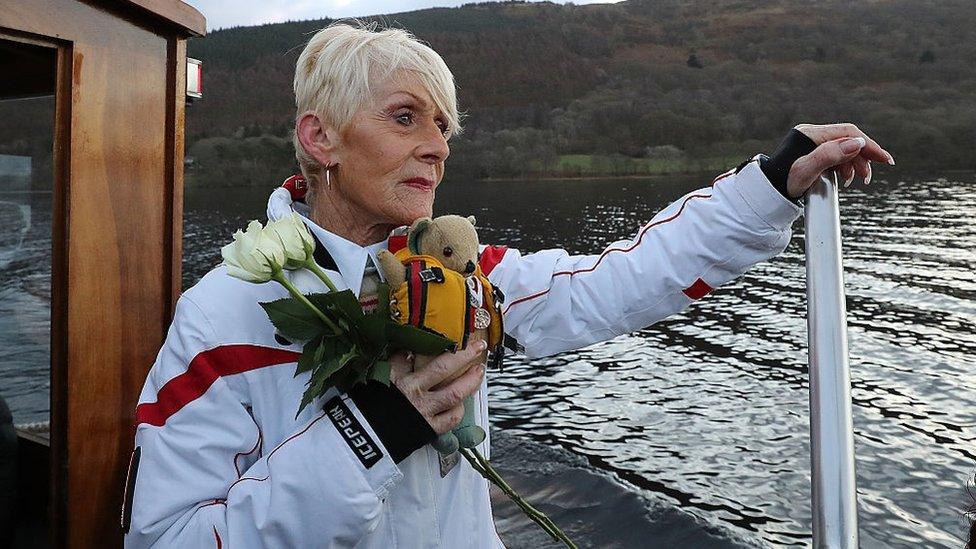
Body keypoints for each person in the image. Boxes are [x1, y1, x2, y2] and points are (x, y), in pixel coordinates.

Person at [123, 21, 893, 548]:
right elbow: (167, 537)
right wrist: (371, 431)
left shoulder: (461, 277)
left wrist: (769, 183)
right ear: (320, 137)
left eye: (443, 127)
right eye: (406, 118)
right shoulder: (224, 313)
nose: (436, 147)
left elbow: (616, 279)